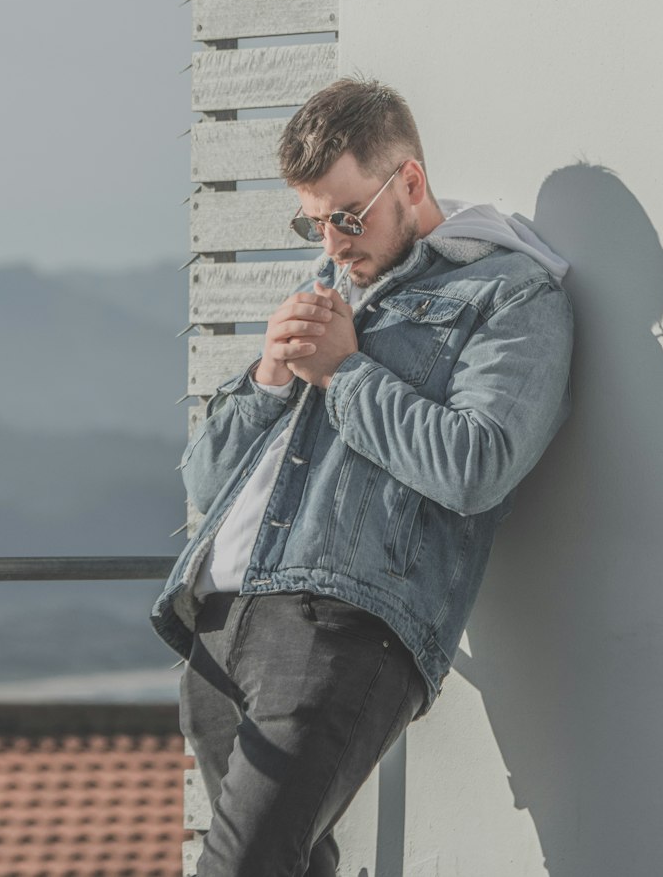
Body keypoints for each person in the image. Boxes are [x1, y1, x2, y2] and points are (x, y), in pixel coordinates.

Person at [152, 78, 573, 876]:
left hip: (336, 629)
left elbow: (475, 464)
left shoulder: (511, 295)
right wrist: (272, 376)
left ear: (409, 182)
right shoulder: (326, 289)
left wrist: (344, 375)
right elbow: (206, 485)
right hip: (216, 622)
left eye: (348, 215)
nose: (334, 241)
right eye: (313, 221)